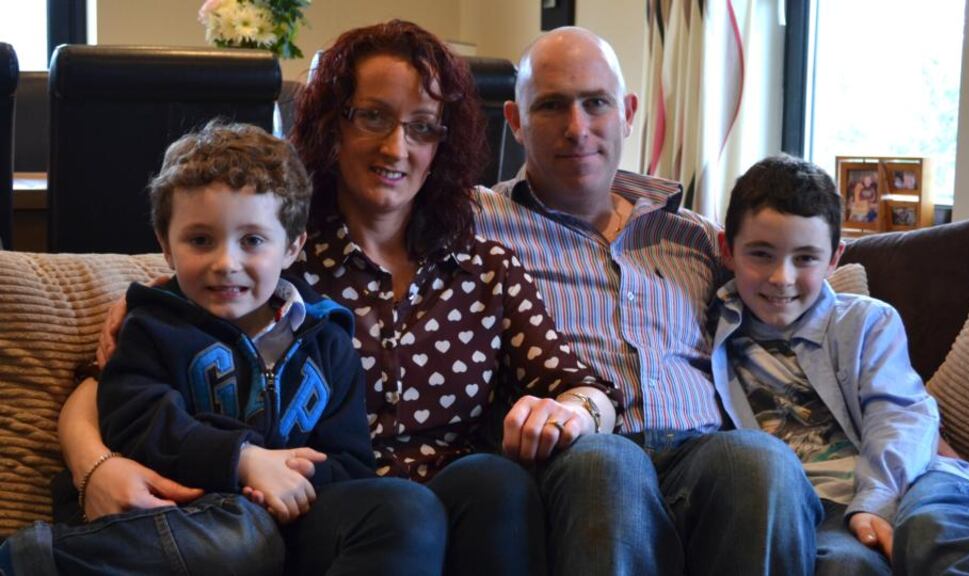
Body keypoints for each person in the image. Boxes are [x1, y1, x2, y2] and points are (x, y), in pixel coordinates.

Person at [56, 20, 618, 576]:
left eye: (422, 126)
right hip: (310, 512)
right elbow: (109, 382)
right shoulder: (269, 257)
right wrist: (95, 468)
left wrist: (570, 412)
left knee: (496, 481)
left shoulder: (484, 269)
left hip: (446, 507)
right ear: (333, 124)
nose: (397, 146)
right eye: (373, 116)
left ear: (443, 144)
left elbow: (580, 386)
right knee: (398, 511)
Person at [1, 122, 448, 576]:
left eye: (252, 240)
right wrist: (245, 461)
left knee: (406, 508)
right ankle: (30, 561)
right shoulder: (152, 326)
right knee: (241, 538)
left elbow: (350, 464)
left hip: (290, 524)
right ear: (166, 247)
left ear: (292, 246)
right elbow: (138, 423)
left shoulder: (327, 339)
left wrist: (283, 478)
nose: (225, 263)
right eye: (200, 240)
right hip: (178, 516)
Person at [474, 27, 820, 575]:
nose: (577, 128)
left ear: (628, 111)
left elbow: (800, 300)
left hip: (702, 453)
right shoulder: (476, 224)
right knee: (609, 465)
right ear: (514, 122)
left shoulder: (699, 237)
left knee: (762, 461)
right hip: (577, 452)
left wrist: (895, 396)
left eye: (596, 103)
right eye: (551, 106)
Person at [710, 154, 969, 575]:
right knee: (845, 565)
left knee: (942, 529)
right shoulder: (703, 326)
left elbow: (900, 417)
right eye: (761, 254)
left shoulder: (866, 321)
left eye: (805, 258)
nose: (781, 278)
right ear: (727, 250)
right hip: (817, 506)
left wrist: (875, 501)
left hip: (915, 475)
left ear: (834, 257)